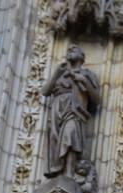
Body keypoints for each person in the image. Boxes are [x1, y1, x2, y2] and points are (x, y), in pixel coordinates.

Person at [42, 44, 101, 179]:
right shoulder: (61, 73)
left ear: (82, 57)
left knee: (71, 136)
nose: (69, 50)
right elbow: (45, 91)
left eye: (74, 49)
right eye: (68, 49)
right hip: (57, 110)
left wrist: (84, 81)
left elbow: (96, 99)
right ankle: (57, 173)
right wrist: (57, 73)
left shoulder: (87, 75)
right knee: (56, 140)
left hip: (75, 110)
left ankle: (69, 174)